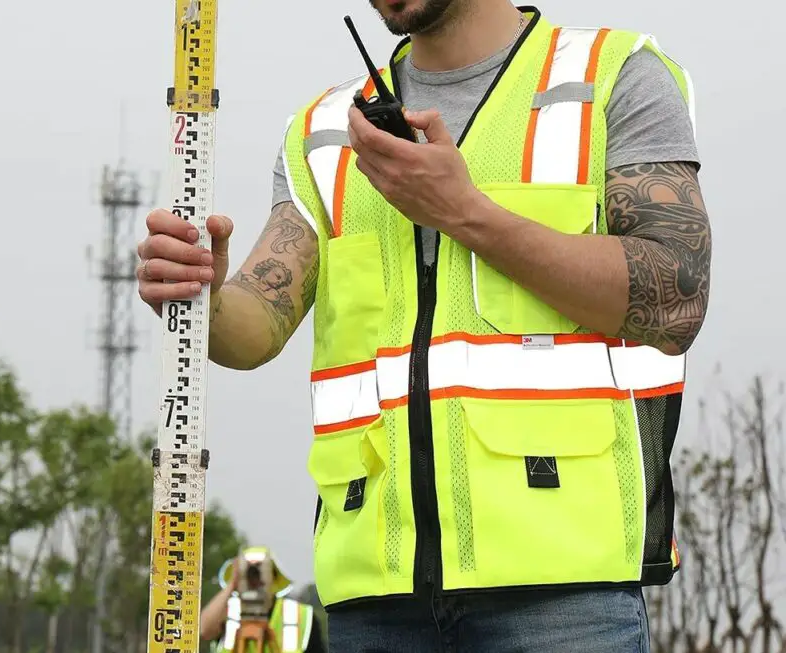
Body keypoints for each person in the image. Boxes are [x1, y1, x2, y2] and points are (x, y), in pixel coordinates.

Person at [137, 0, 711, 650]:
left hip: (564, 596)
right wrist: (198, 298)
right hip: (373, 599)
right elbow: (255, 327)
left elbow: (676, 299)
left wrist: (466, 213)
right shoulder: (325, 130)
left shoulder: (614, 77)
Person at [199, 546, 325, 653]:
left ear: (274, 577)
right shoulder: (227, 611)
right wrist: (233, 583)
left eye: (260, 571)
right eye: (248, 571)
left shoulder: (299, 616)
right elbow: (204, 630)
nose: (254, 578)